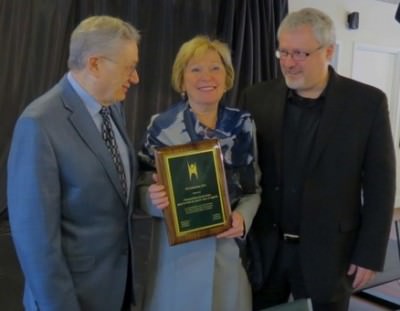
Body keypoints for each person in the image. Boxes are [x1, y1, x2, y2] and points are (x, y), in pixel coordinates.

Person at [239, 7, 396, 311]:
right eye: (283, 52)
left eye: (299, 54)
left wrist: (369, 253)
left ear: (329, 51)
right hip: (266, 251)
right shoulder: (256, 97)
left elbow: (381, 185)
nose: (288, 63)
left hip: (331, 255)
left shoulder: (367, 103)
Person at [7, 16, 140, 311]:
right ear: (94, 64)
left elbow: (115, 174)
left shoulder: (112, 107)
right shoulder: (38, 124)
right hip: (71, 299)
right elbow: (36, 244)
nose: (135, 78)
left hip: (116, 292)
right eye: (129, 67)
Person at [138, 35, 261, 311]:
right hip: (175, 261)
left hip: (228, 256)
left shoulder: (242, 124)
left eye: (215, 67)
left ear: (227, 76)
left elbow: (253, 190)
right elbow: (141, 187)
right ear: (181, 80)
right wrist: (153, 200)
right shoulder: (161, 126)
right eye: (195, 69)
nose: (207, 76)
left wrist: (243, 217)